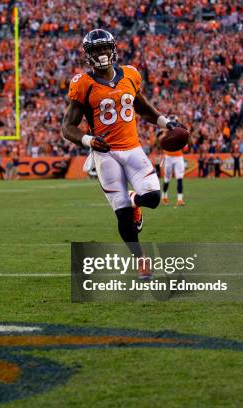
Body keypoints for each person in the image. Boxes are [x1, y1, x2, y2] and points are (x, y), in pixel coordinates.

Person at [61, 29, 186, 280]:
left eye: (104, 48)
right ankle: (141, 259)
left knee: (151, 196)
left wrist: (164, 122)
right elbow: (67, 127)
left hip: (132, 148)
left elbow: (142, 106)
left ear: (113, 49)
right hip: (105, 154)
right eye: (95, 50)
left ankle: (135, 200)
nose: (101, 54)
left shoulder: (130, 74)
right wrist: (88, 140)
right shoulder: (83, 84)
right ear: (88, 55)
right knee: (121, 213)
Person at [160, 115, 186, 206]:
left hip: (178, 156)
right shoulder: (165, 131)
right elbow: (161, 142)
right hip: (168, 156)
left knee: (179, 178)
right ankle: (164, 197)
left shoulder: (180, 131)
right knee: (167, 178)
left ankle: (179, 199)